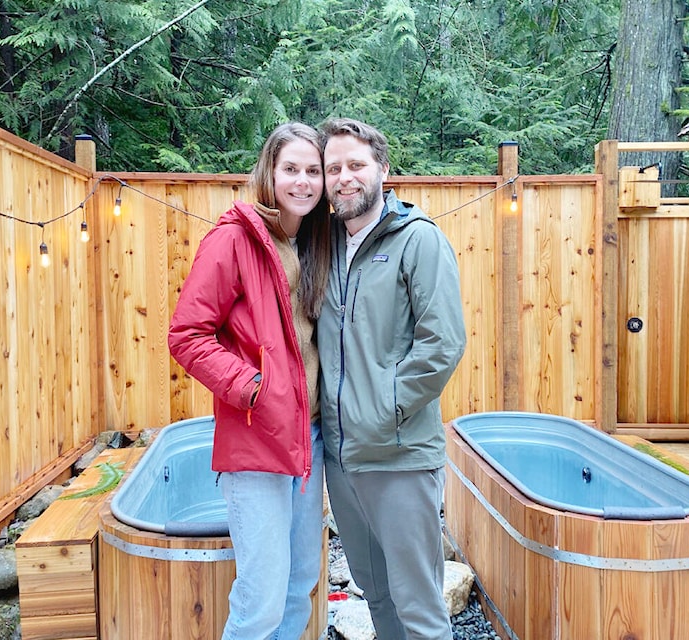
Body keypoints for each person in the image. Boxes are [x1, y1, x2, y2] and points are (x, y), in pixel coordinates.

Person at [167, 122, 331, 640]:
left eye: (313, 171)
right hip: (257, 439)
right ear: (269, 172)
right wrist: (253, 390)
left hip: (309, 440)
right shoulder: (234, 239)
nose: (303, 181)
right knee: (259, 599)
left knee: (299, 580)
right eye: (291, 169)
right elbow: (187, 335)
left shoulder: (312, 242)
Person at [316, 117, 467, 640]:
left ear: (382, 168)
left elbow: (442, 344)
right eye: (333, 167)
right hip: (341, 458)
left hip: (399, 456)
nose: (344, 177)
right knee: (376, 595)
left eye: (355, 165)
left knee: (419, 607)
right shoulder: (325, 244)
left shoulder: (418, 240)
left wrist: (382, 412)